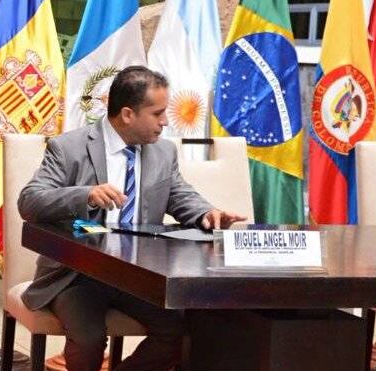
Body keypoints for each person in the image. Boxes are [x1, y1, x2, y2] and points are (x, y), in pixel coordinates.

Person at [18, 65, 246, 371]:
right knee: (89, 339)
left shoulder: (163, 152)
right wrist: (85, 195)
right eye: (158, 113)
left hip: (140, 277)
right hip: (77, 275)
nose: (166, 121)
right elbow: (29, 201)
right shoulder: (69, 147)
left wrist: (208, 213)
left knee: (183, 331)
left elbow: (180, 196)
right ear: (127, 114)